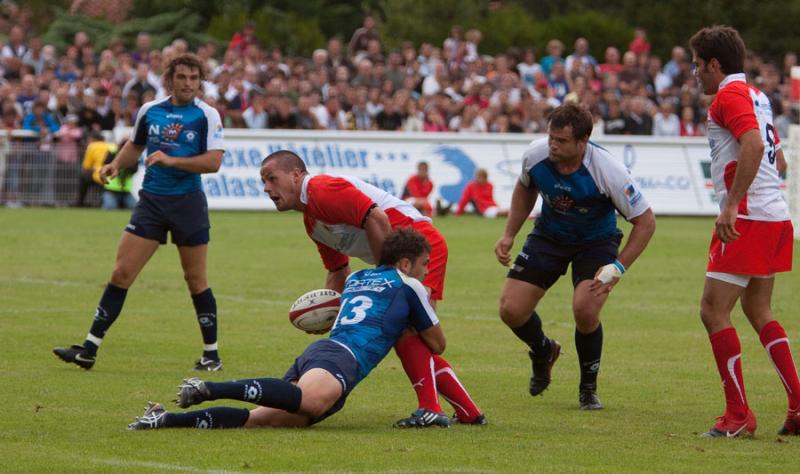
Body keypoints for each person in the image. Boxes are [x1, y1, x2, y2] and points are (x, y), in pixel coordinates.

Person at [128, 229, 448, 430]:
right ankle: (209, 387)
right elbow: (437, 344)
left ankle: (164, 419)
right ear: (405, 264)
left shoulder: (357, 278)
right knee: (309, 402)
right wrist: (413, 319)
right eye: (424, 264)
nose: (426, 271)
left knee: (260, 420)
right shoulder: (409, 285)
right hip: (342, 359)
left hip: (324, 354)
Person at [259, 150, 484, 428]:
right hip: (399, 262)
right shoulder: (312, 222)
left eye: (272, 178)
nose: (267, 187)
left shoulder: (322, 189)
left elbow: (378, 219)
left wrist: (385, 279)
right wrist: (332, 315)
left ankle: (431, 409)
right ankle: (468, 412)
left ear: (296, 175)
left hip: (420, 250)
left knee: (409, 330)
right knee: (406, 330)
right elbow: (338, 270)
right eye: (263, 181)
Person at [53, 53, 226, 371]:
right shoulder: (150, 111)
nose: (188, 83)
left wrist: (172, 161)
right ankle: (88, 349)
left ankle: (211, 356)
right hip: (152, 203)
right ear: (169, 79)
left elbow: (213, 162)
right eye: (182, 77)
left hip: (188, 203)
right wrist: (115, 165)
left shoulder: (207, 115)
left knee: (195, 279)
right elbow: (135, 145)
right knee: (121, 273)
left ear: (200, 81)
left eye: (194, 78)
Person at [495, 103, 656, 410]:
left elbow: (646, 222)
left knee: (585, 309)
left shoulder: (608, 171)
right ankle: (543, 350)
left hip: (596, 243)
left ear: (583, 141)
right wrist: (509, 234)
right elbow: (525, 187)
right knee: (510, 310)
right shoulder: (536, 155)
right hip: (549, 237)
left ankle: (588, 388)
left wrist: (618, 267)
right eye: (550, 137)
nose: (553, 145)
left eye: (562, 140)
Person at [689, 26, 798, 438]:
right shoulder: (757, 96)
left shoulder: (729, 96)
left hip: (748, 219)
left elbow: (753, 145)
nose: (695, 72)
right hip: (774, 215)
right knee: (758, 309)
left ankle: (738, 416)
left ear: (715, 64)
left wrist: (732, 203)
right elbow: (779, 161)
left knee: (713, 311)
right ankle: (798, 406)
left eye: (698, 65)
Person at [76, 131, 114, 207]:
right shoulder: (112, 145)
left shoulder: (92, 146)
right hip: (112, 176)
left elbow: (86, 166)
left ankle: (80, 202)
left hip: (98, 175)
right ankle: (101, 201)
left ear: (92, 139)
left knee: (83, 176)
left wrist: (93, 168)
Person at [101, 138, 138, 210]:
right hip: (111, 189)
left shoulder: (134, 156)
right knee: (109, 207)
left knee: (134, 207)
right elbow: (105, 166)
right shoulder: (112, 153)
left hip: (125, 190)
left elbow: (134, 170)